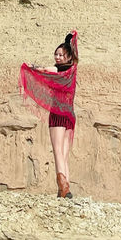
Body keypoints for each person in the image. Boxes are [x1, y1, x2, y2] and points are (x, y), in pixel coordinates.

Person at [19, 31, 78, 199]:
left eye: (61, 55)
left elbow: (44, 69)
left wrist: (30, 68)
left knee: (58, 150)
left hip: (58, 113)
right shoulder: (72, 71)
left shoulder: (58, 70)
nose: (58, 57)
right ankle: (67, 188)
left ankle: (62, 186)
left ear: (68, 57)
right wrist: (70, 41)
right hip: (70, 115)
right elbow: (75, 53)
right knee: (65, 152)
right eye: (56, 54)